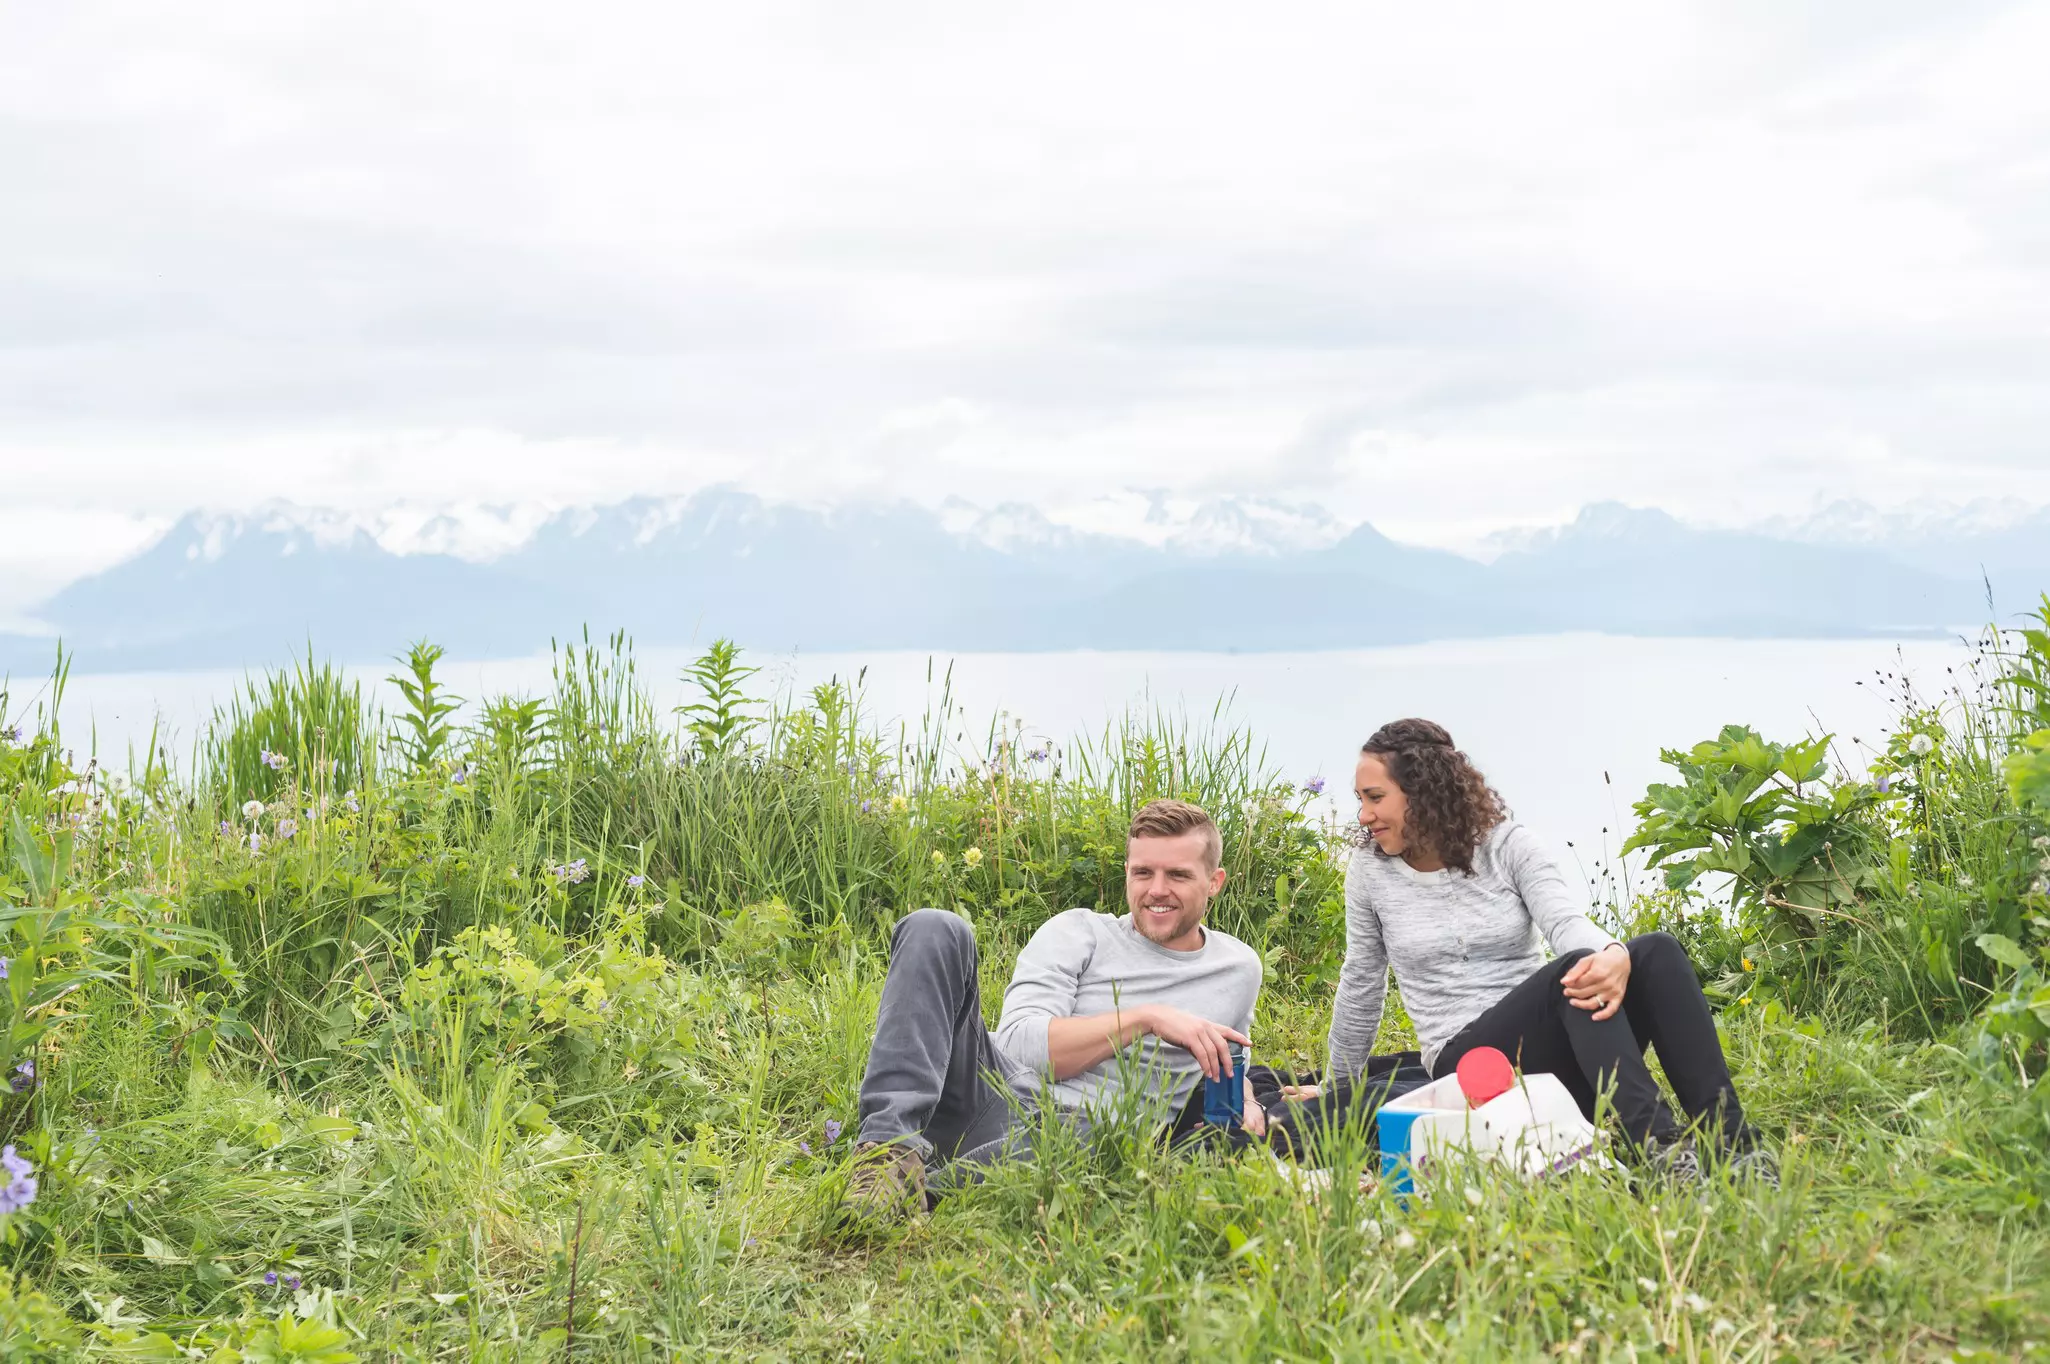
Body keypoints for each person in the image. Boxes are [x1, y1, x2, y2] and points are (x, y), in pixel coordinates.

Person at [1301, 718, 1774, 1185]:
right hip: (1467, 1068)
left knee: (1654, 951)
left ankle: (1733, 1146)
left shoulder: (1508, 845)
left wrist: (1612, 953)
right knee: (1572, 973)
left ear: (1422, 791)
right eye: (1360, 799)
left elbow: (1564, 922)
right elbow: (1361, 982)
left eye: (1376, 798)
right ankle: (1659, 1151)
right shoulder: (1370, 872)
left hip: (1556, 1061)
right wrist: (1335, 1094)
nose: (1364, 815)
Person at [843, 798, 1266, 1218]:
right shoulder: (1079, 931)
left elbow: (1230, 1058)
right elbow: (1019, 1045)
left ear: (1214, 882)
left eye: (1177, 875)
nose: (1157, 890)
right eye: (1142, 873)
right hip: (997, 1091)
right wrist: (1146, 1018)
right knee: (935, 927)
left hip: (1092, 1134)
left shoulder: (1238, 968)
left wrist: (1247, 1100)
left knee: (1096, 1135)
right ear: (1127, 873)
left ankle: (924, 1186)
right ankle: (885, 1154)